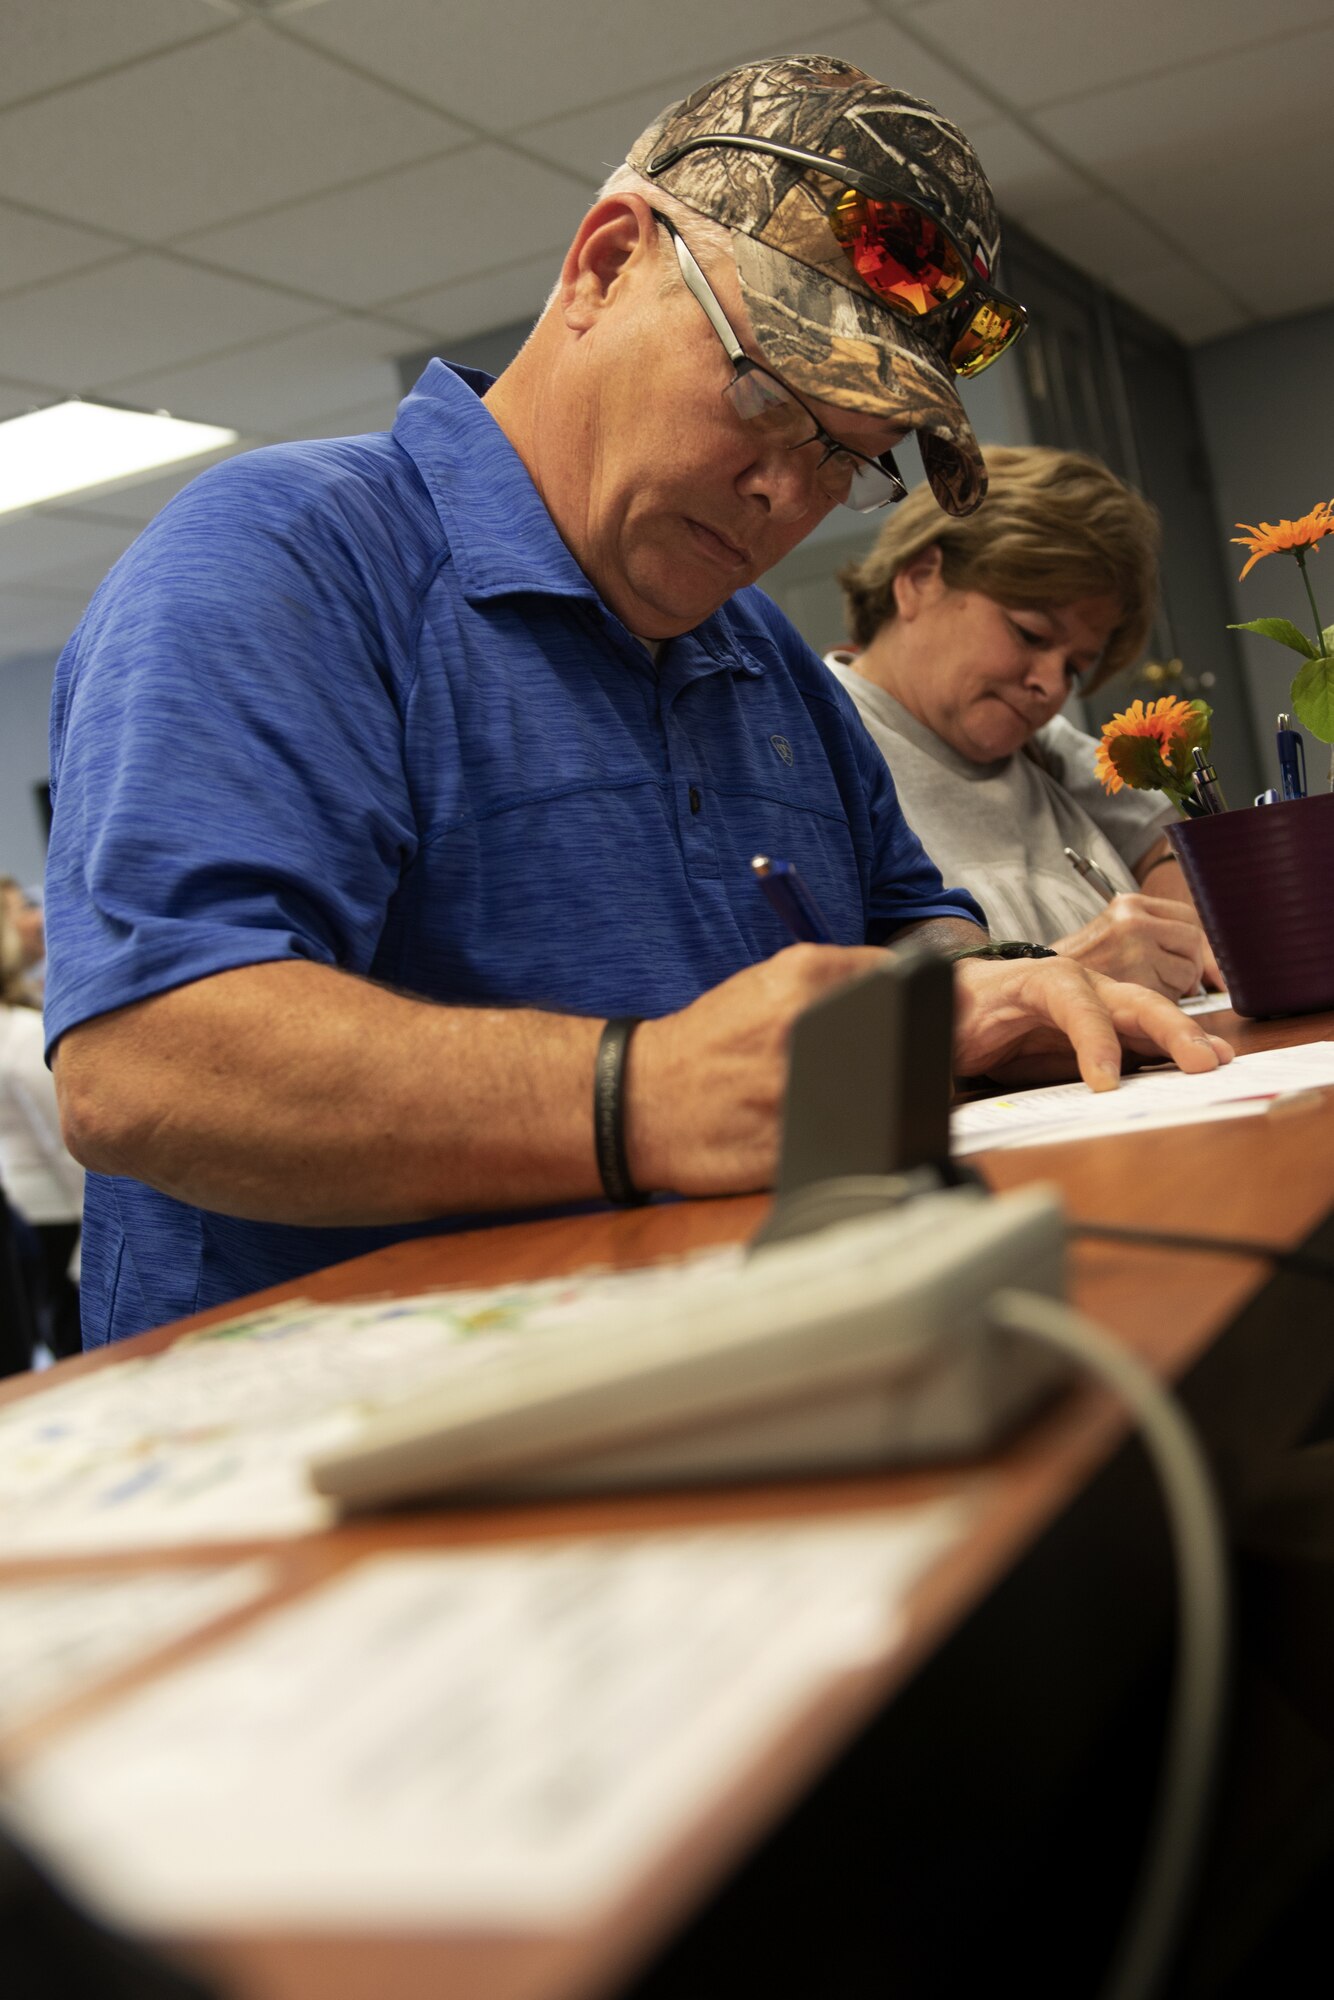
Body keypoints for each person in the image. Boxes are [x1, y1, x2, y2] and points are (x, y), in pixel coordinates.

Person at [43, 56, 1230, 1348]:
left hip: (746, 1358)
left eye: (846, 455)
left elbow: (906, 933)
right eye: (765, 391)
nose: (788, 496)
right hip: (326, 1455)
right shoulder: (282, 561)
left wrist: (989, 997)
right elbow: (145, 1062)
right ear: (604, 265)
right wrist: (638, 1094)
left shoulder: (762, 663)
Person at [829, 447, 1222, 998]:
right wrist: (1063, 976)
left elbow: (1164, 843)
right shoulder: (818, 739)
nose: (1052, 686)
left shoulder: (1045, 749)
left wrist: (1184, 933)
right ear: (919, 579)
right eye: (1031, 634)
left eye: (1075, 667)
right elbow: (845, 1022)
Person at [0, 882, 82, 1359]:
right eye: (23, 908)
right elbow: (66, 1145)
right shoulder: (19, 1030)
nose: (38, 918)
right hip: (60, 1215)